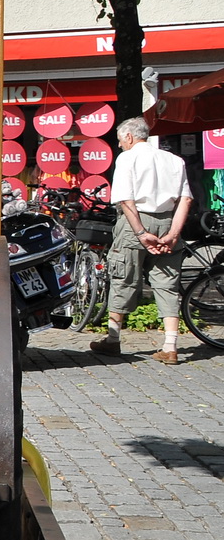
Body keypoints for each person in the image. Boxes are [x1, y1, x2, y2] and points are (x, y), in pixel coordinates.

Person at [90, 116, 192, 363]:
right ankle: (171, 345)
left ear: (129, 137)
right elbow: (186, 199)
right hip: (168, 220)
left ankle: (113, 340)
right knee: (167, 283)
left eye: (120, 140)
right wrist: (173, 234)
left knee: (123, 277)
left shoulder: (128, 158)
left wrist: (141, 233)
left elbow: (126, 200)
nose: (120, 145)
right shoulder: (175, 160)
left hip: (135, 223)